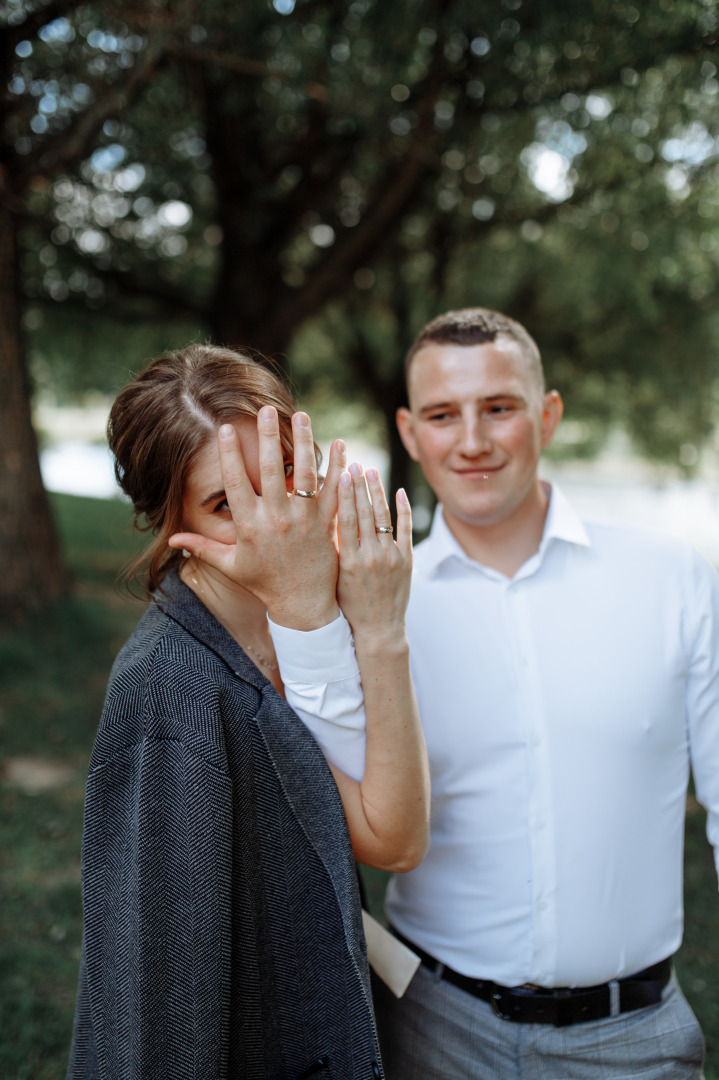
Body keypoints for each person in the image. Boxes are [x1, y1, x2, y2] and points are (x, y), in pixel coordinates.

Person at [262, 308, 716, 1079]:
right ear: (409, 434)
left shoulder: (673, 576)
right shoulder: (370, 605)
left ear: (546, 415)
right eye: (443, 415)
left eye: (498, 408)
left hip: (631, 1043)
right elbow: (334, 806)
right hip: (431, 1029)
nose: (471, 441)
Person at [67, 343, 429, 1080]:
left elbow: (393, 833)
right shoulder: (171, 689)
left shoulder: (309, 613)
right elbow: (155, 996)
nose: (276, 527)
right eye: (229, 504)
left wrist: (372, 626)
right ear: (166, 519)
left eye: (286, 479)